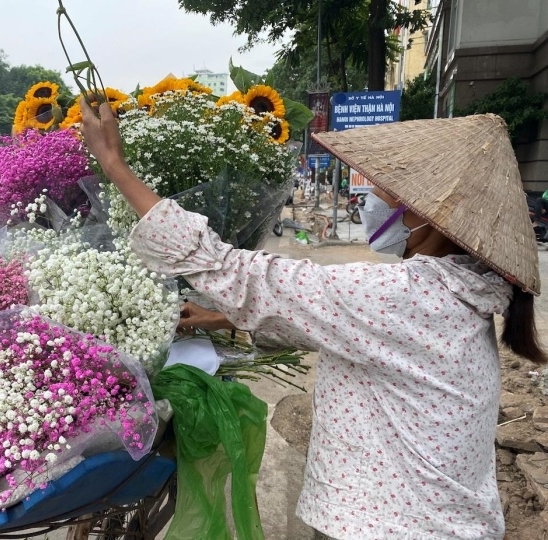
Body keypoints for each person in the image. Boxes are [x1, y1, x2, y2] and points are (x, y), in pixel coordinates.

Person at [80, 101, 546, 540]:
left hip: (392, 525)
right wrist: (226, 320)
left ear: (430, 217)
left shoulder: (407, 294)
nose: (372, 207)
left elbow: (236, 270)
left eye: (384, 196)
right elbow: (347, 330)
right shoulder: (460, 292)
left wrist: (115, 166)